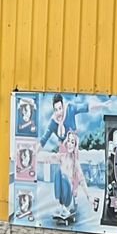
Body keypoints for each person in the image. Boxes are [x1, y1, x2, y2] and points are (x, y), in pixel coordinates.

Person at [39, 94, 91, 224]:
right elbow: (44, 139)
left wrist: (103, 105)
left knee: (74, 173)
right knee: (61, 174)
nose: (59, 112)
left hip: (73, 146)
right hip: (63, 148)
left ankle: (74, 198)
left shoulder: (71, 109)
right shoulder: (53, 122)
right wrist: (34, 153)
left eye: (60, 108)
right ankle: (63, 203)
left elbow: (85, 107)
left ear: (63, 106)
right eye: (56, 110)